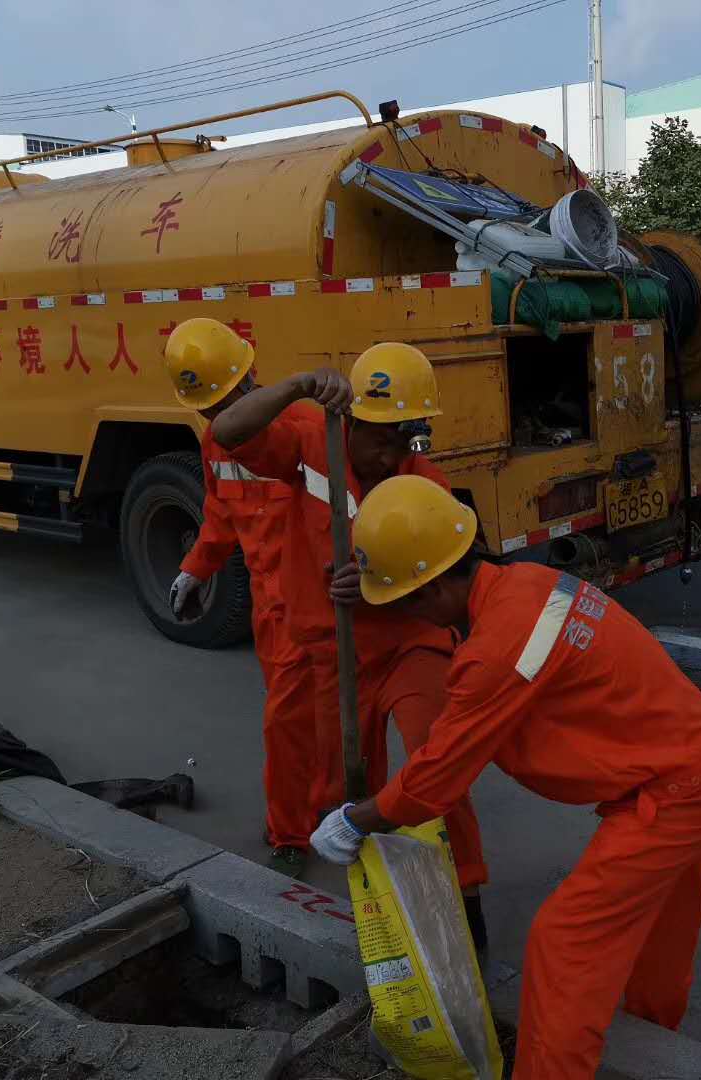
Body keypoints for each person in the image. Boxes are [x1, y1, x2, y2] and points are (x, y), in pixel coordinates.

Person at [310, 476, 701, 1080]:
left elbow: (434, 780)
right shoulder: (525, 584)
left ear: (435, 590)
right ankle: (651, 1030)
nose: (406, 618)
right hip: (698, 759)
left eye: (405, 603)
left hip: (673, 792)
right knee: (660, 916)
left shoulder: (493, 655)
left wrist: (355, 820)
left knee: (565, 945)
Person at [211, 341, 489, 939]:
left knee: (433, 752)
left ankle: (466, 891)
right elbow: (228, 431)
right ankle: (370, 890)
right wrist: (296, 387)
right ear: (352, 419)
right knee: (344, 784)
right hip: (335, 651)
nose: (390, 454)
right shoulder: (310, 446)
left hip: (408, 643)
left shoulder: (424, 481)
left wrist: (372, 586)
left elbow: (450, 582)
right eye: (379, 436)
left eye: (403, 435)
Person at [163, 318, 352, 854]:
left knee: (297, 724)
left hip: (311, 603)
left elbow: (340, 515)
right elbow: (221, 512)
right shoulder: (214, 442)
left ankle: (294, 833)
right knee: (296, 722)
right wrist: (197, 567)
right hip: (269, 610)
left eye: (222, 405)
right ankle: (318, 813)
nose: (217, 421)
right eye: (208, 411)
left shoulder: (303, 429)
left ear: (250, 382)